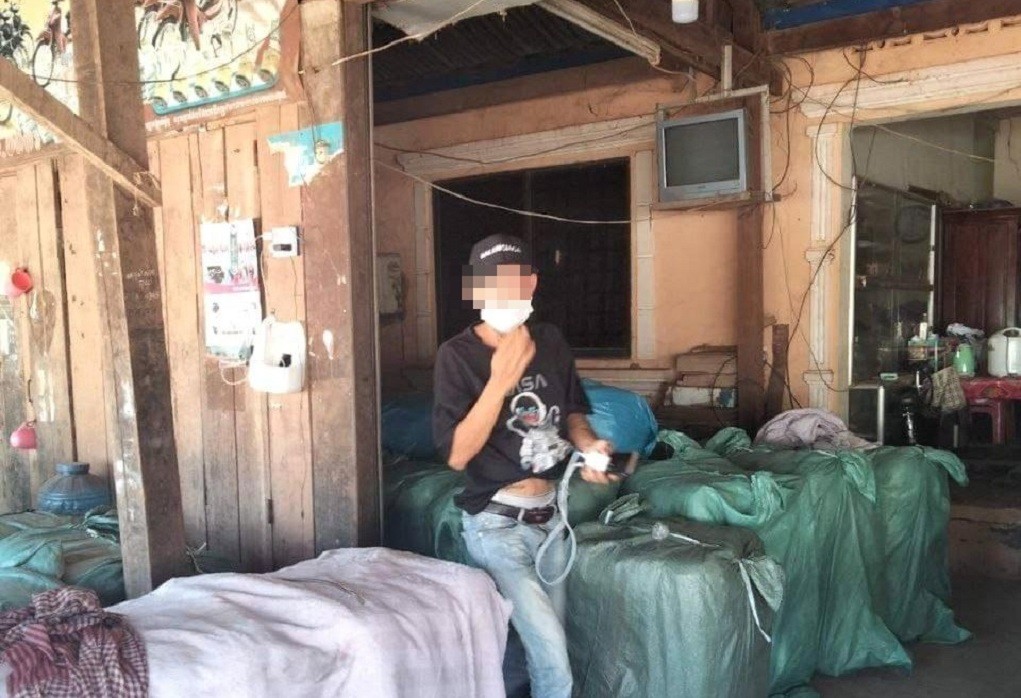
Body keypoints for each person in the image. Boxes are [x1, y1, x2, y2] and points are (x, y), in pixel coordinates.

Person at [432, 234, 616, 698]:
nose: (504, 293)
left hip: (551, 521)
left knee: (532, 646)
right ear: (476, 290)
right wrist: (499, 382)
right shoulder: (456, 356)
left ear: (531, 283)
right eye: (491, 284)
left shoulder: (550, 341)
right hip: (496, 525)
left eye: (513, 282)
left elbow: (573, 414)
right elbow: (456, 455)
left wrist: (591, 446)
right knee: (553, 657)